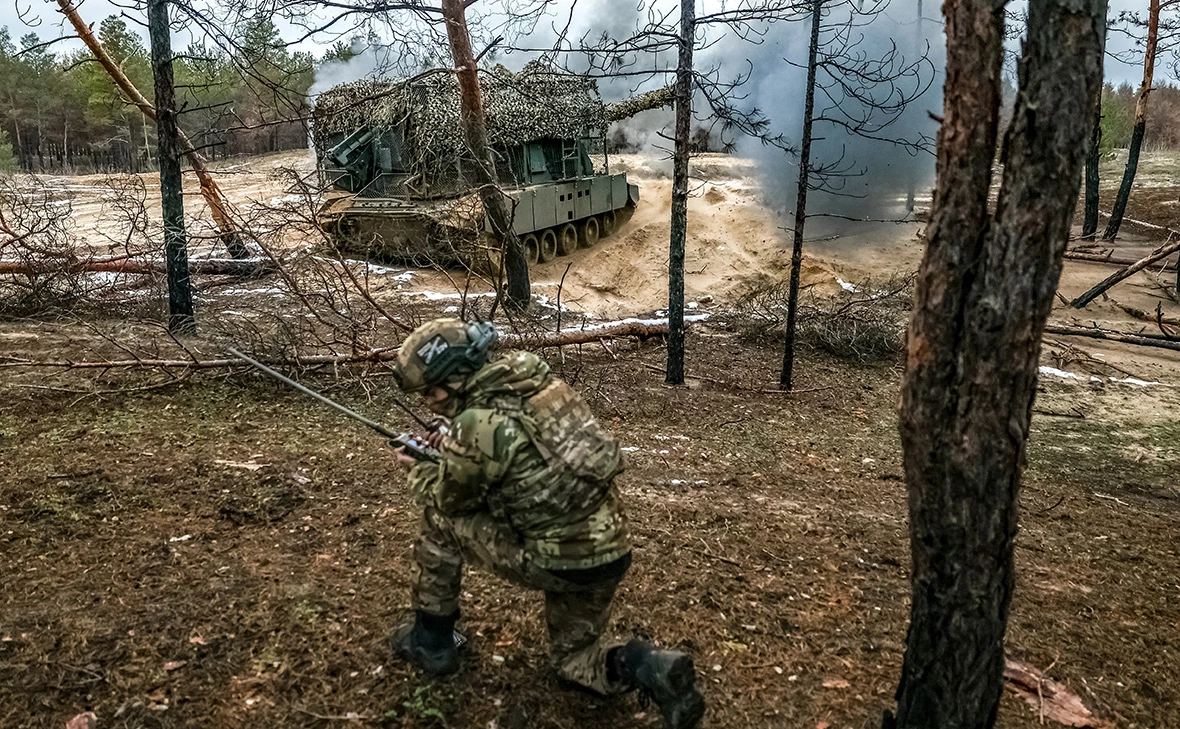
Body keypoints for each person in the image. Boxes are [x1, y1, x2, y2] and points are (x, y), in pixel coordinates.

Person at [388, 318, 705, 729]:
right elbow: (523, 451)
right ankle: (648, 665)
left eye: (431, 392)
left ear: (457, 377)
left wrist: (417, 466)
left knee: (439, 520)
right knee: (574, 660)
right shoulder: (539, 386)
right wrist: (454, 441)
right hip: (610, 552)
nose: (429, 403)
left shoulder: (476, 425)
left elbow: (451, 500)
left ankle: (431, 642)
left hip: (558, 562)